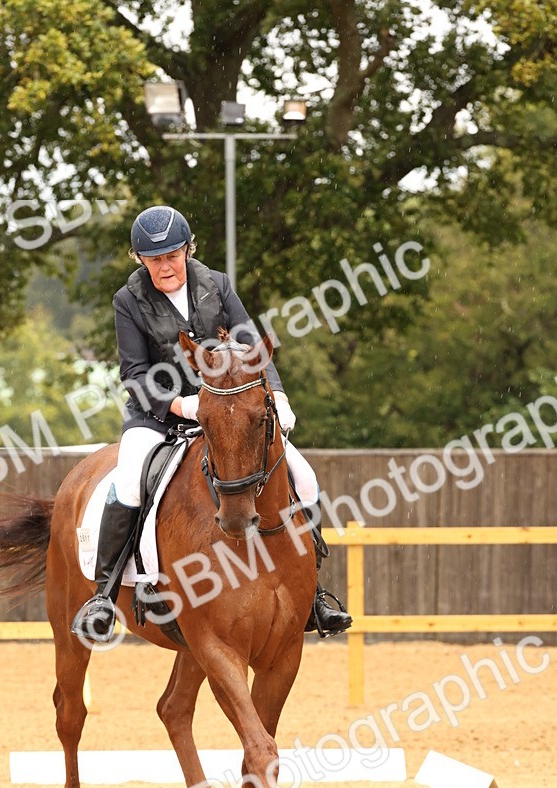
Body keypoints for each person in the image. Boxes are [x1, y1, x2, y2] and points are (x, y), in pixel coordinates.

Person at [71, 205, 352, 642]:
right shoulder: (128, 301)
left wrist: (276, 394)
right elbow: (133, 374)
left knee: (306, 477)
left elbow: (250, 346)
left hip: (229, 411)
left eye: (172, 255)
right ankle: (104, 596)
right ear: (140, 260)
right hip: (161, 416)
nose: (164, 266)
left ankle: (312, 593)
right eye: (154, 259)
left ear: (187, 250)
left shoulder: (216, 285)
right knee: (127, 482)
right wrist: (181, 406)